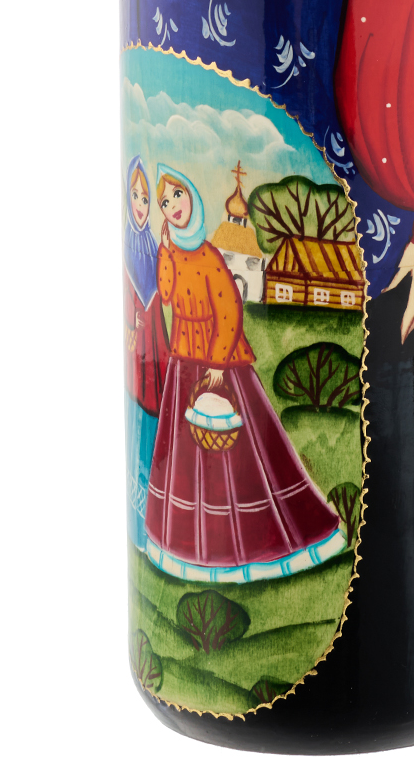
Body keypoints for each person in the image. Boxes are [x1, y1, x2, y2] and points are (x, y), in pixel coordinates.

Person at [144, 164, 344, 582]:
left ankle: (261, 547)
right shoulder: (175, 253)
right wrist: (163, 252)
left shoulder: (210, 256)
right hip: (184, 362)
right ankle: (186, 549)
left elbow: (230, 310)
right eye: (164, 202)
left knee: (246, 458)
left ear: (191, 198)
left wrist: (218, 367)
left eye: (178, 195)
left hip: (221, 365)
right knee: (185, 459)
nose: (172, 206)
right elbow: (166, 294)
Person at [123, 158, 169, 549]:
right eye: (135, 197)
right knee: (141, 417)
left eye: (144, 198)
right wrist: (130, 325)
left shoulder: (151, 244)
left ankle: (160, 511)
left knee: (160, 413)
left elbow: (164, 289)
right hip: (139, 352)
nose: (140, 205)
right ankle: (144, 518)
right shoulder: (127, 245)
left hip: (158, 344)